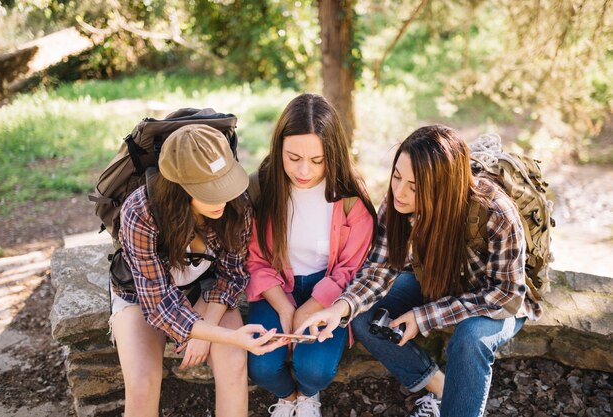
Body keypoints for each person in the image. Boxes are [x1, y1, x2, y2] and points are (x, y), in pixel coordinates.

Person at [296, 125, 543, 417]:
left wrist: (423, 316)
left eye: (414, 187)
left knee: (470, 339)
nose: (399, 192)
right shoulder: (397, 202)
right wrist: (340, 308)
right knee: (364, 316)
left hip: (494, 300)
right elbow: (379, 270)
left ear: (443, 187)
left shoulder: (497, 212)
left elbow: (506, 295)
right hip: (439, 283)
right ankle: (441, 388)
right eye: (397, 177)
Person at [110, 124, 286, 417]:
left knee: (233, 364)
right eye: (208, 192)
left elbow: (232, 274)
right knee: (142, 384)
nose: (221, 200)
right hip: (141, 295)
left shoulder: (236, 204)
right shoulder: (139, 211)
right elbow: (159, 305)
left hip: (203, 287)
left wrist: (207, 332)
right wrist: (221, 334)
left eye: (224, 185)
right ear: (178, 186)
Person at [245, 93, 376, 417]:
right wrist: (285, 307)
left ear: (333, 154)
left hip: (328, 290)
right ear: (279, 150)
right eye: (293, 158)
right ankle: (287, 397)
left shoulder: (350, 198)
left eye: (318, 161)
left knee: (316, 369)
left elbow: (349, 269)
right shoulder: (262, 188)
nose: (304, 171)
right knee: (261, 366)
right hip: (276, 286)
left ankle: (307, 395)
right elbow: (256, 259)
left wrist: (311, 307)